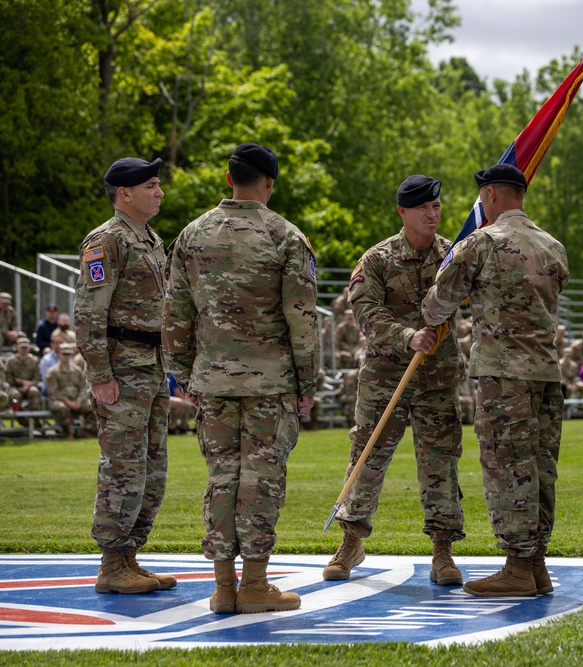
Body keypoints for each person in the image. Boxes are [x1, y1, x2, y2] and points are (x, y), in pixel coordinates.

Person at [163, 142, 319, 615]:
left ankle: (223, 587)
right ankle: (254, 583)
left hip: (212, 380)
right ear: (269, 183)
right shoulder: (285, 236)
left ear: (229, 179)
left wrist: (184, 372)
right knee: (261, 479)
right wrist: (307, 383)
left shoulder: (193, 235)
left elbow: (175, 313)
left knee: (222, 477)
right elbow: (302, 318)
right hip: (270, 384)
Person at [422, 163, 570, 597]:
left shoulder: (481, 243)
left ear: (489, 197)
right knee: (541, 466)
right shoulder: (553, 246)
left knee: (507, 466)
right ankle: (536, 562)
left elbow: (439, 302)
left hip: (501, 375)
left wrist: (431, 315)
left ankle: (518, 568)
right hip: (545, 371)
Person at [323, 174, 466, 587]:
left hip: (437, 378)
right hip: (386, 377)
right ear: (403, 211)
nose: (432, 214)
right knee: (366, 457)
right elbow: (366, 313)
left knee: (440, 463)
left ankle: (443, 550)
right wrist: (407, 336)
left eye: (436, 207)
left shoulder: (453, 257)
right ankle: (351, 541)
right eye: (423, 208)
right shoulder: (378, 259)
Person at [75, 156, 173, 596]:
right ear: (125, 193)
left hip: (151, 369)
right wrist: (100, 374)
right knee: (123, 468)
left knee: (153, 469)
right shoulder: (106, 241)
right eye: (151, 185)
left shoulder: (150, 239)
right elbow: (89, 311)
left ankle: (130, 555)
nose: (160, 192)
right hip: (122, 370)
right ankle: (112, 563)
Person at [45, 344, 95, 439]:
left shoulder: (77, 371)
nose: (66, 356)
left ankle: (87, 432)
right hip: (60, 400)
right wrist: (68, 402)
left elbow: (82, 388)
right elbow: (53, 391)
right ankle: (68, 432)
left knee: (91, 406)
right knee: (60, 408)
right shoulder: (52, 371)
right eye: (64, 354)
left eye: (68, 354)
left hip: (76, 400)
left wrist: (79, 401)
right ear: (59, 355)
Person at [6, 337, 43, 411]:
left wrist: (29, 385)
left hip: (30, 386)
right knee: (14, 395)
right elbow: (8, 377)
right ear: (17, 348)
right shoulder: (11, 361)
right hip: (14, 386)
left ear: (29, 348)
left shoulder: (34, 360)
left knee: (34, 392)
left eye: (25, 347)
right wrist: (21, 382)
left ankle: (36, 417)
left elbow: (37, 377)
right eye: (22, 347)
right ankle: (20, 416)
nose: (24, 349)